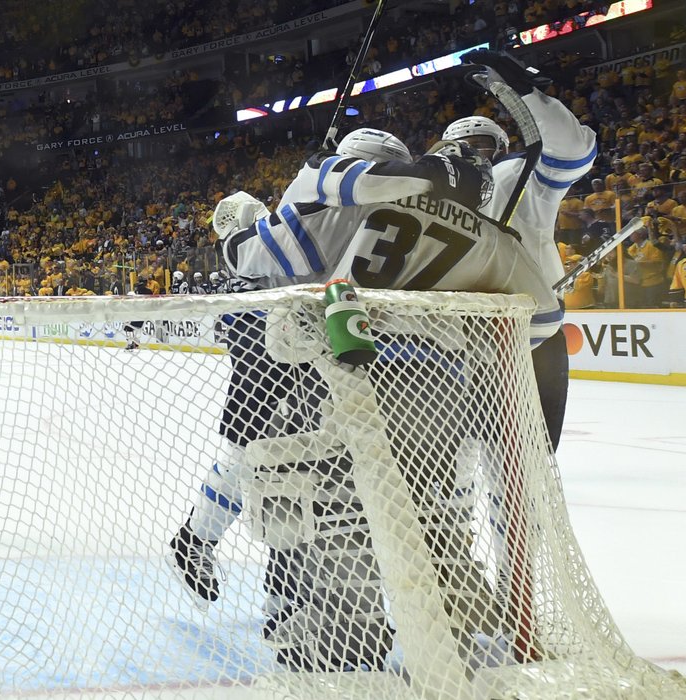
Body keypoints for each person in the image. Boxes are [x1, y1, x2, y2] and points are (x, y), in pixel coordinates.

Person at [171, 128, 540, 671]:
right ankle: (450, 627)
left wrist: (292, 206)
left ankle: (336, 630)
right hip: (423, 386)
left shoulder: (324, 211)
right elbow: (540, 318)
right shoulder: (477, 221)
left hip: (337, 374)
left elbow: (244, 255)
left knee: (320, 505)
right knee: (428, 509)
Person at [442, 49, 597, 450]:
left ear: (501, 147)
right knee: (460, 458)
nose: (473, 155)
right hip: (455, 339)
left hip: (533, 333)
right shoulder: (428, 194)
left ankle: (524, 514)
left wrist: (528, 96)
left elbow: (573, 150)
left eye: (482, 145)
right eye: (463, 147)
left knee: (532, 457)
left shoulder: (519, 174)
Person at [123, 276, 152, 350]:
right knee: (129, 328)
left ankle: (132, 343)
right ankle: (134, 342)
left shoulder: (136, 291)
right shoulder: (148, 291)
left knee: (128, 328)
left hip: (139, 313)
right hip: (140, 313)